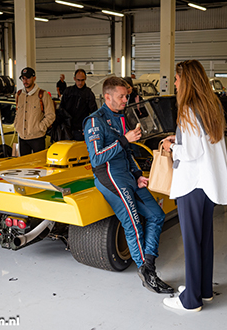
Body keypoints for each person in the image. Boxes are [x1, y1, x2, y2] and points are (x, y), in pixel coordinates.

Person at [83, 76, 173, 294]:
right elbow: (96, 158)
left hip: (128, 175)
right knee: (133, 224)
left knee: (156, 214)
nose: (126, 100)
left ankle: (147, 263)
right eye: (121, 96)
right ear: (107, 96)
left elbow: (127, 150)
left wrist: (136, 174)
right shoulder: (95, 121)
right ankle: (148, 273)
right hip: (109, 177)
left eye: (126, 96)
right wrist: (125, 139)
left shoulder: (122, 117)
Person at [161, 60, 227, 312]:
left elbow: (190, 152)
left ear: (187, 80)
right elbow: (202, 142)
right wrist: (179, 137)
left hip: (192, 185)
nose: (174, 83)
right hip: (208, 184)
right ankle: (203, 289)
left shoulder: (188, 110)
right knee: (204, 240)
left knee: (192, 242)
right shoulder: (210, 106)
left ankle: (191, 300)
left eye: (177, 79)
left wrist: (172, 146)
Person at [13, 67, 55, 155]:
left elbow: (51, 115)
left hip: (37, 138)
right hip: (22, 137)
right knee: (24, 165)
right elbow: (18, 112)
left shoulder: (43, 95)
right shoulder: (19, 95)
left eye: (28, 78)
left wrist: (40, 127)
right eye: (23, 78)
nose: (25, 81)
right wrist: (17, 125)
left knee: (38, 166)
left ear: (34, 78)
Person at [60, 69, 97, 141]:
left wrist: (89, 128)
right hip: (67, 128)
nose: (80, 82)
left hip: (81, 129)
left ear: (85, 79)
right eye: (78, 80)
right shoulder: (68, 91)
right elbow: (61, 108)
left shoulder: (88, 93)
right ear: (74, 79)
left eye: (82, 80)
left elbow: (94, 112)